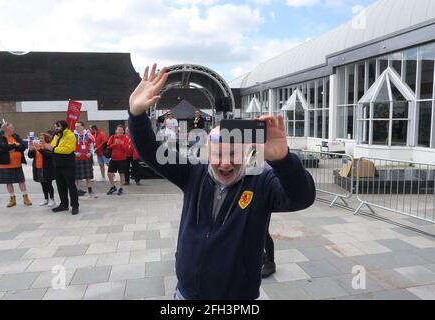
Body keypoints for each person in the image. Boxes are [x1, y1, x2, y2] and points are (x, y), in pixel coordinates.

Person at [128, 64, 316, 300]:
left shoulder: (262, 181)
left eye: (232, 155)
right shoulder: (193, 174)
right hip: (186, 294)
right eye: (218, 155)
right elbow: (149, 150)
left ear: (246, 152)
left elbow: (302, 197)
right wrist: (136, 115)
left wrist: (283, 160)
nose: (225, 164)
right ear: (207, 153)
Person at [43, 120, 79, 215]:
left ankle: (75, 206)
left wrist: (53, 149)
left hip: (68, 165)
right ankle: (64, 204)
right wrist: (43, 148)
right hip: (57, 164)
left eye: (57, 127)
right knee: (60, 186)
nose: (56, 128)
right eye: (55, 126)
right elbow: (52, 148)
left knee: (71, 186)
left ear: (63, 126)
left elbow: (68, 150)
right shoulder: (56, 136)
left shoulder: (70, 136)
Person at [0, 122, 32, 208]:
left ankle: (25, 198)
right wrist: (15, 145)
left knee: (21, 181)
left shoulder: (16, 136)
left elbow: (23, 147)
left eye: (13, 128)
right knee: (8, 182)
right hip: (5, 164)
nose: (13, 130)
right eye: (11, 128)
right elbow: (3, 147)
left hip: (17, 164)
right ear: (5, 130)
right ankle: (12, 199)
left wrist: (12, 147)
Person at [28, 133, 56, 207]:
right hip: (38, 167)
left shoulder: (49, 146)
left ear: (46, 139)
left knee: (48, 184)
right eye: (40, 138)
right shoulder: (38, 146)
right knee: (43, 184)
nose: (40, 140)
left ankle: (52, 199)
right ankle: (46, 199)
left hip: (47, 168)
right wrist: (31, 150)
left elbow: (49, 155)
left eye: (42, 138)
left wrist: (39, 149)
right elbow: (30, 156)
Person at [74, 121, 97, 198]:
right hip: (76, 158)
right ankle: (76, 192)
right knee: (76, 177)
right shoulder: (72, 135)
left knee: (88, 176)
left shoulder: (88, 135)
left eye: (78, 126)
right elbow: (69, 146)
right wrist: (74, 153)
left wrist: (90, 153)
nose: (76, 128)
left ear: (82, 127)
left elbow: (91, 145)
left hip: (86, 158)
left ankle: (90, 191)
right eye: (76, 126)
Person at [106, 125, 129, 196]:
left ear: (123, 131)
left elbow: (126, 149)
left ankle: (121, 188)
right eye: (118, 130)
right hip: (113, 159)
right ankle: (113, 187)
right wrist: (114, 144)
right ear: (116, 131)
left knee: (122, 174)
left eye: (121, 130)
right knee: (109, 174)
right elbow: (108, 146)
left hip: (122, 159)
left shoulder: (126, 138)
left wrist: (120, 144)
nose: (120, 131)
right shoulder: (112, 137)